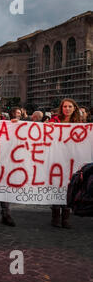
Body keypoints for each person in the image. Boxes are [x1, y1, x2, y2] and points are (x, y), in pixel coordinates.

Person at [48, 98, 82, 229]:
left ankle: (66, 217)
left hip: (71, 160)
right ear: (61, 108)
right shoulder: (54, 121)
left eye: (70, 106)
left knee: (70, 187)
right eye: (65, 106)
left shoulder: (79, 124)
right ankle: (55, 216)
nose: (67, 109)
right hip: (56, 159)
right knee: (57, 186)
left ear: (74, 108)